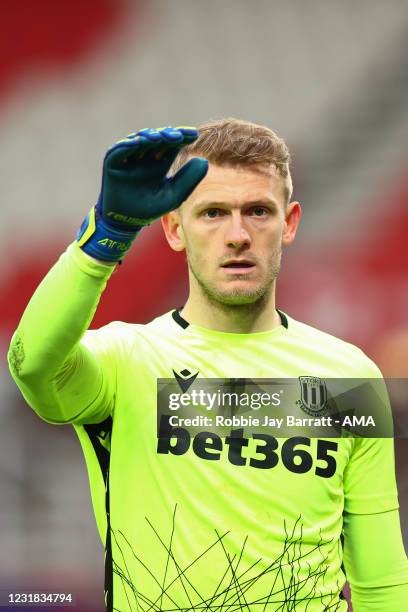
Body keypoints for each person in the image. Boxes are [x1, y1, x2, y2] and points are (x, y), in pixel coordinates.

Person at [8, 119, 408, 611]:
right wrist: (106, 236)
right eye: (213, 213)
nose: (237, 235)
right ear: (175, 228)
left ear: (289, 223)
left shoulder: (349, 378)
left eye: (258, 211)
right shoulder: (125, 360)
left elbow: (382, 581)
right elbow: (31, 363)